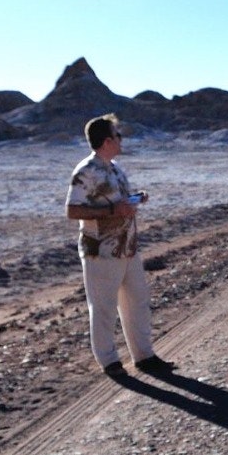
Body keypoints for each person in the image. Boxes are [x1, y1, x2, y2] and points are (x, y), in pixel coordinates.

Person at [65, 114, 176, 377]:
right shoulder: (85, 171)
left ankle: (144, 356)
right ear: (106, 141)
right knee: (103, 306)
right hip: (101, 250)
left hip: (127, 247)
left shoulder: (115, 168)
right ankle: (109, 361)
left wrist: (134, 199)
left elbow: (118, 201)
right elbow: (72, 210)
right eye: (117, 135)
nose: (121, 140)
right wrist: (114, 209)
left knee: (137, 301)